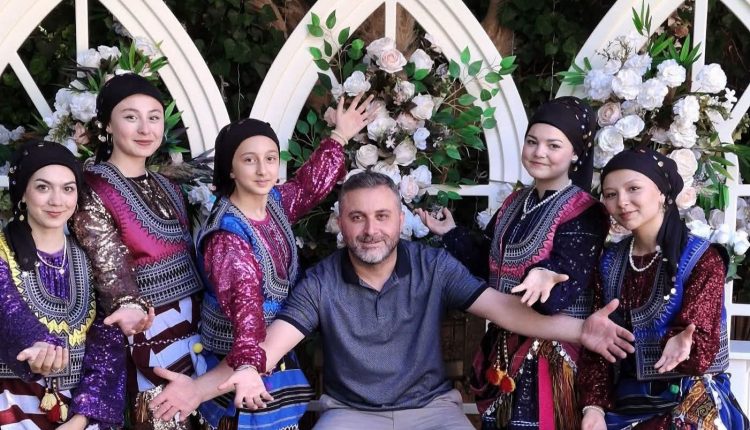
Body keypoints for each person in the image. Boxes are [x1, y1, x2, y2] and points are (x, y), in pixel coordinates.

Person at [147, 170, 634, 430]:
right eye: (357, 217)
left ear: (401, 220)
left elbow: (505, 310)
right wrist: (195, 391)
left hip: (434, 411)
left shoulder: (432, 266)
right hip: (349, 415)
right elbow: (266, 348)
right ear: (341, 223)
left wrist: (580, 330)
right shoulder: (321, 281)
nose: (370, 229)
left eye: (382, 216)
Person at [417, 96, 608, 429]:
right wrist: (451, 233)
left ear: (576, 153)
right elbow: (488, 266)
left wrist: (546, 276)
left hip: (550, 356)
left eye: (553, 145)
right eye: (532, 142)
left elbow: (563, 288)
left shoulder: (585, 212)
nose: (539, 152)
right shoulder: (515, 202)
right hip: (504, 348)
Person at [185, 95, 373, 429]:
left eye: (270, 158)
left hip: (271, 352)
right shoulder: (228, 236)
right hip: (238, 358)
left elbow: (308, 187)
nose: (263, 170)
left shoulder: (273, 202)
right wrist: (248, 364)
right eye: (249, 160)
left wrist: (339, 136)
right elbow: (244, 303)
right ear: (231, 168)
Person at [578, 148, 749, 430]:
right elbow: (598, 348)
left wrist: (685, 342)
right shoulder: (609, 262)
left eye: (633, 188)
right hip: (628, 403)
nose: (622, 201)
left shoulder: (702, 258)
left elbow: (700, 347)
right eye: (610, 194)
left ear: (662, 193)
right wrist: (593, 407)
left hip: (689, 398)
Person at [71, 73, 204, 429]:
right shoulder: (92, 187)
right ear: (107, 125)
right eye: (131, 117)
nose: (145, 128)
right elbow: (107, 263)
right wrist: (128, 306)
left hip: (197, 331)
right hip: (144, 333)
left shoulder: (169, 186)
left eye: (154, 117)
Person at [0, 140, 126, 429]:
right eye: (43, 187)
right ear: (23, 194)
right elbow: (8, 310)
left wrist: (81, 420)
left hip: (80, 410)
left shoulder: (90, 257)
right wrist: (34, 344)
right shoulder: (3, 253)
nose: (57, 200)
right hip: (12, 406)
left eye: (68, 188)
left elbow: (108, 347)